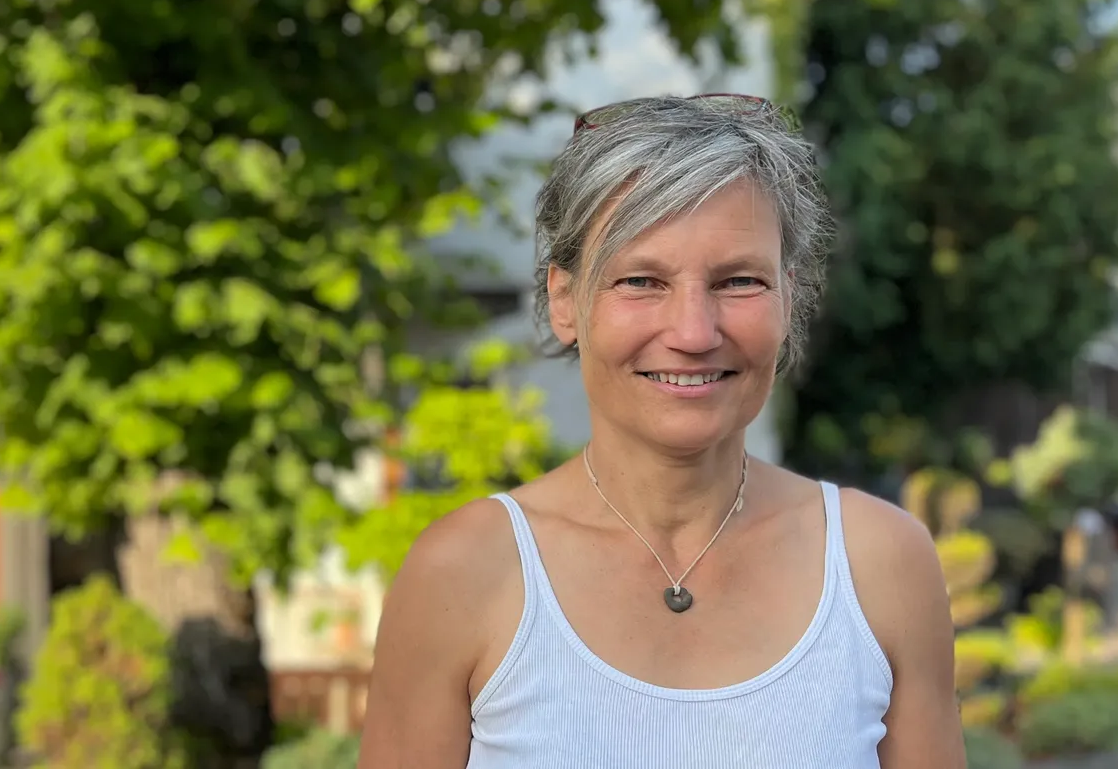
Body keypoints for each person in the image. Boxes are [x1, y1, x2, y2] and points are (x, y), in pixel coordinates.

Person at [356, 94, 965, 768]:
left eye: (738, 281)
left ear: (789, 298)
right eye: (642, 280)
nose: (694, 332)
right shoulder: (462, 574)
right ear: (565, 300)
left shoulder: (882, 565)